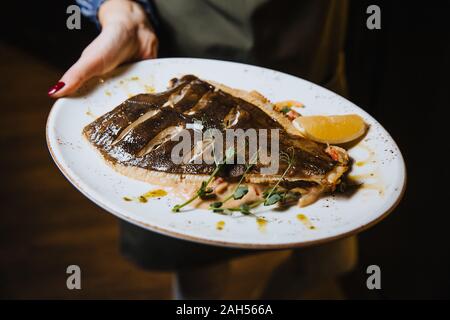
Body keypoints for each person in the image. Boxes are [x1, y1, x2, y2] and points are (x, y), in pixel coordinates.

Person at [49, 0, 357, 299]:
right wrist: (120, 10)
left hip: (311, 74)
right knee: (201, 281)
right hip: (187, 61)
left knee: (331, 262)